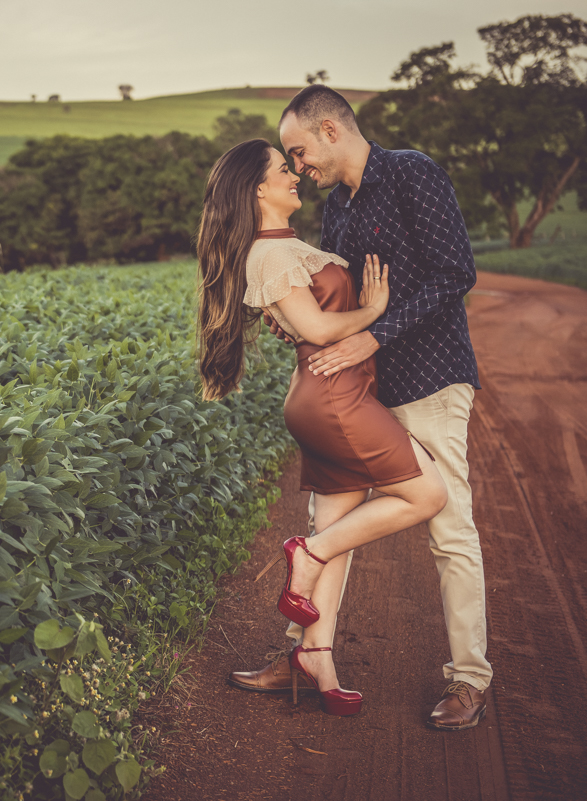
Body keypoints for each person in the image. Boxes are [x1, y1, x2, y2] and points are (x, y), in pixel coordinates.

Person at [224, 85, 492, 730]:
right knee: (328, 525)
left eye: (298, 151)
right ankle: (302, 657)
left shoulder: (411, 172)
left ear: (329, 130)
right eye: (287, 161)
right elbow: (326, 298)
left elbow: (454, 273)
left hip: (428, 378)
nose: (298, 167)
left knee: (449, 528)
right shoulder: (335, 210)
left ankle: (469, 679)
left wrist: (371, 333)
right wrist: (305, 323)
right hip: (358, 392)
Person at [197, 138, 449, 716]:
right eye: (283, 170)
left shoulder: (288, 247)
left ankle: (317, 659)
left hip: (333, 392)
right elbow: (316, 326)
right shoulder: (269, 254)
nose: (295, 177)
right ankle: (306, 553)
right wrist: (373, 314)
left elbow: (303, 320)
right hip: (335, 397)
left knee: (343, 529)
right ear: (258, 189)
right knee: (427, 493)